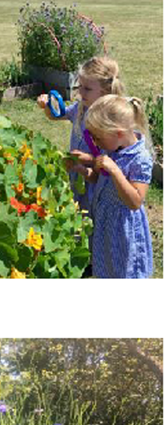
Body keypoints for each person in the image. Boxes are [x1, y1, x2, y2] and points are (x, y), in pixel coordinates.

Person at [76, 94, 154, 279]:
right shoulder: (110, 148)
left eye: (98, 137)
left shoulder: (140, 159)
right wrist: (82, 170)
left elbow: (135, 201)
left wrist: (116, 171)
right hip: (105, 223)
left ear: (118, 133)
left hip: (123, 231)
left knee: (125, 272)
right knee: (107, 269)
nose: (95, 143)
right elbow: (101, 181)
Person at [37, 55, 126, 209]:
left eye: (87, 89)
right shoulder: (81, 107)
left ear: (105, 91)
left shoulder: (109, 119)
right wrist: (47, 106)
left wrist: (88, 158)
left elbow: (113, 161)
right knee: (78, 207)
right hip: (78, 171)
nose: (81, 92)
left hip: (95, 178)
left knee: (92, 213)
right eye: (80, 86)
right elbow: (57, 115)